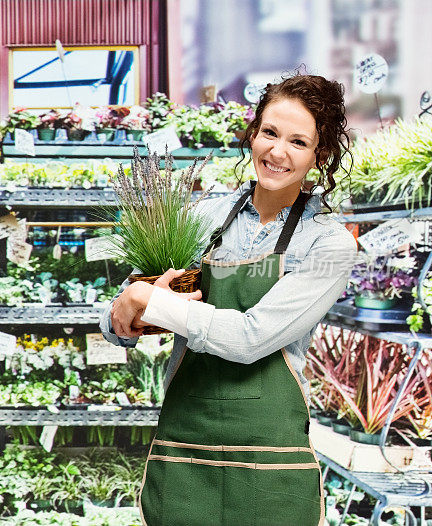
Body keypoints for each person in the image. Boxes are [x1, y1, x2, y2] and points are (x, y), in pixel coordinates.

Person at [100, 74, 358, 526]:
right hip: (185, 454)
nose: (277, 152)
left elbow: (249, 339)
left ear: (320, 156)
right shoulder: (201, 219)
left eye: (298, 142)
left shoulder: (328, 244)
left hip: (271, 468)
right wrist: (126, 315)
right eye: (270, 133)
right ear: (253, 132)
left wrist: (153, 303)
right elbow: (120, 317)